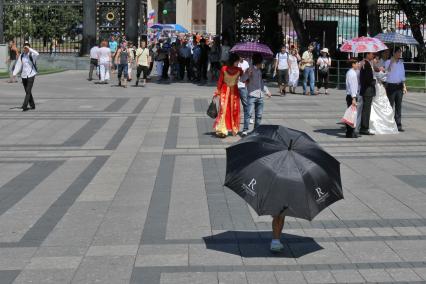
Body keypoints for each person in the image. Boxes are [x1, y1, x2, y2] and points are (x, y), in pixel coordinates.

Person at [240, 53, 272, 136]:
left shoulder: (259, 71)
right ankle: (245, 130)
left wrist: (267, 91)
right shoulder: (249, 70)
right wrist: (247, 74)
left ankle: (256, 130)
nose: (262, 63)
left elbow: (261, 83)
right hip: (252, 95)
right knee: (248, 113)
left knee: (259, 115)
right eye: (262, 62)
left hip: (260, 96)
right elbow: (242, 79)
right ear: (259, 62)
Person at [213, 53, 243, 137]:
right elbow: (245, 79)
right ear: (235, 61)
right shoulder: (239, 70)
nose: (238, 62)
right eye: (237, 61)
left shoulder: (224, 68)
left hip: (224, 91)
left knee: (223, 110)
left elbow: (220, 81)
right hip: (234, 92)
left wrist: (217, 92)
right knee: (234, 110)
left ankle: (222, 129)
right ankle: (234, 128)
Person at [367, 57, 399, 135]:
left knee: (382, 102)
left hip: (380, 87)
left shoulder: (375, 68)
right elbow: (383, 76)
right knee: (376, 103)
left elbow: (385, 74)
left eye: (377, 59)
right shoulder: (372, 68)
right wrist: (385, 70)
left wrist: (385, 69)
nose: (377, 61)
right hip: (377, 87)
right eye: (375, 59)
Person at [385, 47, 407, 132]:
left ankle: (398, 124)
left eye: (400, 52)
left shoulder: (401, 63)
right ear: (393, 53)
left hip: (399, 86)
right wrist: (391, 62)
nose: (399, 54)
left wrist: (404, 86)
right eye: (398, 52)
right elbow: (387, 72)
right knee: (390, 105)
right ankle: (389, 124)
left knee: (399, 106)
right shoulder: (388, 62)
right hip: (391, 86)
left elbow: (402, 74)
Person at [12, 43, 39, 111]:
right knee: (27, 91)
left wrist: (29, 49)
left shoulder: (32, 55)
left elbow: (37, 54)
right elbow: (18, 65)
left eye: (26, 48)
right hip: (24, 76)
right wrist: (14, 73)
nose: (25, 49)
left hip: (31, 75)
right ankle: (32, 105)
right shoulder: (22, 55)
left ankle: (24, 106)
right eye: (24, 48)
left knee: (28, 91)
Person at [359, 52, 376, 135]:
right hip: (367, 90)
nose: (373, 56)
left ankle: (364, 127)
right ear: (367, 54)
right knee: (366, 109)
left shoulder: (365, 63)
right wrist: (374, 81)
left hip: (366, 89)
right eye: (372, 54)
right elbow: (368, 79)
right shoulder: (366, 64)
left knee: (366, 108)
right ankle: (364, 128)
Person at [345, 59, 360, 138]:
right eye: (357, 63)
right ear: (353, 64)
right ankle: (350, 132)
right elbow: (352, 86)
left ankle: (350, 131)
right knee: (351, 115)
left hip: (350, 95)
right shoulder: (352, 73)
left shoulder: (351, 72)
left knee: (352, 114)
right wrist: (354, 98)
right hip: (352, 96)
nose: (358, 65)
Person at [238, 57, 250, 135]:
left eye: (243, 55)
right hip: (234, 87)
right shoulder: (235, 63)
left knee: (246, 106)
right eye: (240, 55)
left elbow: (249, 76)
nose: (242, 56)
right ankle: (233, 126)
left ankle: (245, 129)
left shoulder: (246, 63)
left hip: (243, 87)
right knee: (233, 107)